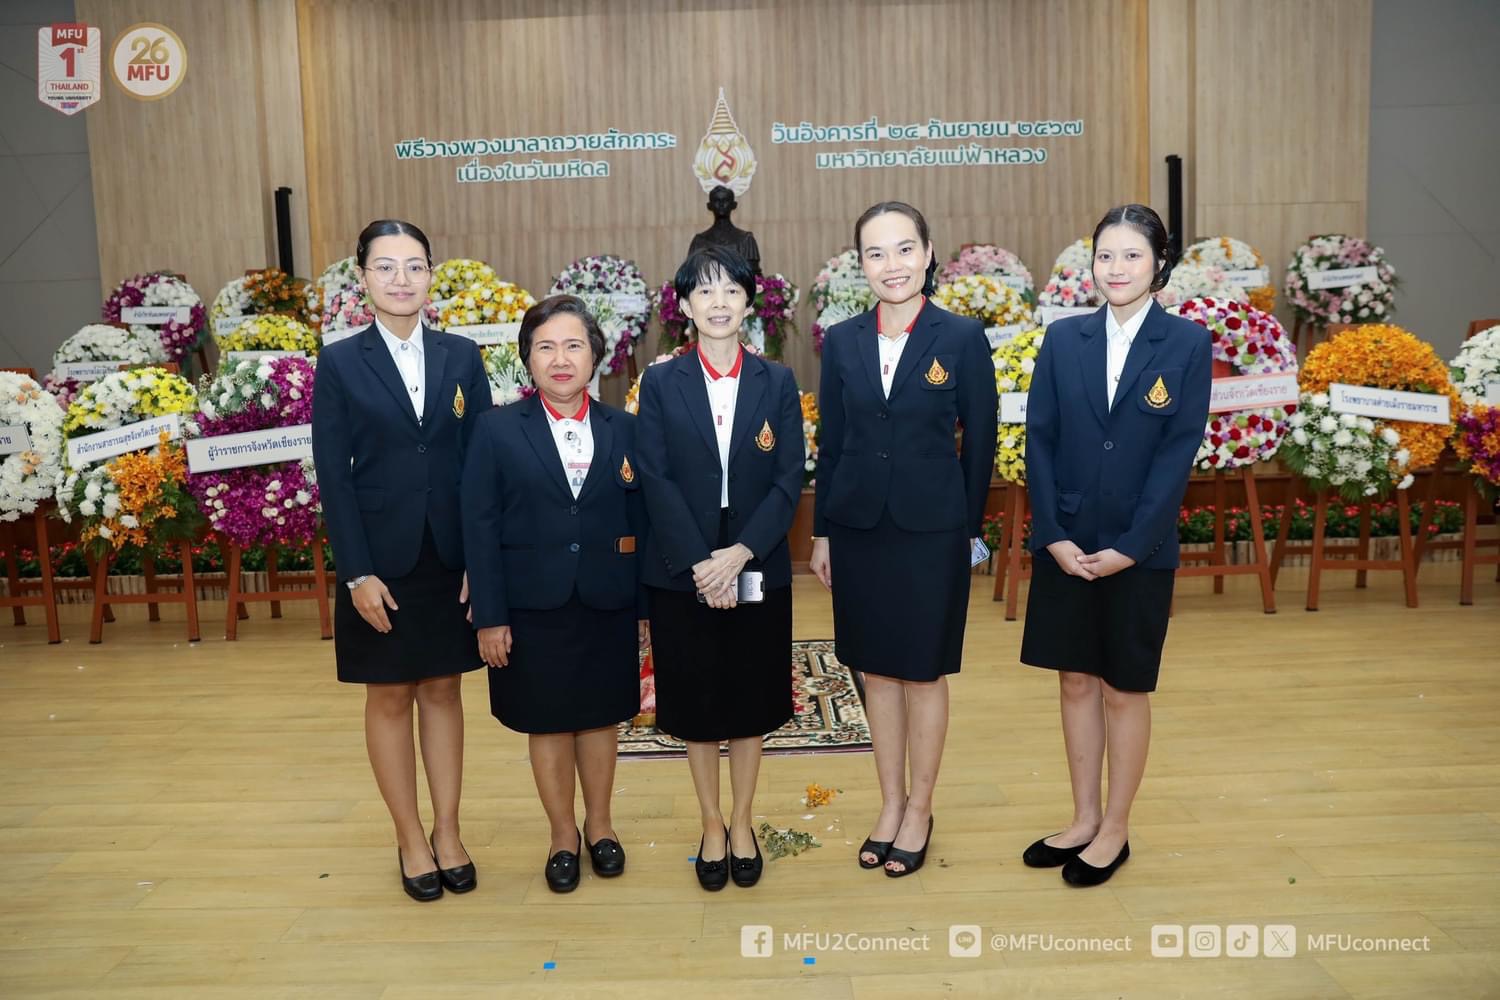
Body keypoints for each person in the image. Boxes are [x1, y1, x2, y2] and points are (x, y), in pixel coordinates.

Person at [1019, 203, 1212, 886]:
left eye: (1132, 255)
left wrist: (1135, 544)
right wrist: (1053, 535)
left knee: (1124, 689)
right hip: (1069, 540)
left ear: (1160, 263)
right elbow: (1038, 440)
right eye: (1106, 255)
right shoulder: (1063, 339)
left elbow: (1176, 453)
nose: (1117, 268)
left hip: (1139, 546)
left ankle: (1117, 829)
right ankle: (1082, 817)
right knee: (1075, 680)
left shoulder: (1187, 345)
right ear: (1090, 263)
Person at [810, 201, 998, 878]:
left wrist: (970, 533)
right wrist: (824, 530)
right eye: (875, 253)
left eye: (903, 249)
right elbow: (831, 443)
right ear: (859, 264)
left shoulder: (960, 337)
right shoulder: (842, 339)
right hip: (859, 527)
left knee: (922, 671)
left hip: (931, 529)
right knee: (875, 671)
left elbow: (980, 444)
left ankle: (921, 807)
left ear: (927, 253)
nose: (891, 265)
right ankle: (888, 803)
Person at [312, 219, 493, 902]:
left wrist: (482, 560)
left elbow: (480, 467)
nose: (400, 279)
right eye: (385, 267)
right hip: (378, 561)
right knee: (389, 694)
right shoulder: (340, 362)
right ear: (362, 278)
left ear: (430, 275)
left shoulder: (461, 357)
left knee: (444, 689)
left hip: (448, 555)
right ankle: (410, 836)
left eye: (413, 266)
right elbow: (334, 473)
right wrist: (356, 571)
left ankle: (448, 830)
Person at [461, 294, 646, 894]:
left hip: (607, 599)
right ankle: (562, 834)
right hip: (529, 605)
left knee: (600, 718)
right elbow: (480, 526)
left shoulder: (626, 429)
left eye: (573, 345)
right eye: (546, 347)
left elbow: (644, 522)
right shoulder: (494, 430)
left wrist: (644, 610)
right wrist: (489, 616)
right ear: (528, 359)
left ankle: (602, 827)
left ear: (596, 356)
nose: (560, 359)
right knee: (547, 720)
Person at [635, 245, 803, 891]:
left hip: (754, 554)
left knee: (751, 696)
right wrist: (705, 562)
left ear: (748, 300)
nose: (718, 302)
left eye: (730, 290)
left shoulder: (777, 381)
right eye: (703, 292)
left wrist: (740, 554)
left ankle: (742, 820)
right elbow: (654, 476)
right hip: (684, 561)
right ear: (683, 307)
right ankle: (709, 823)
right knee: (696, 698)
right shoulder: (659, 381)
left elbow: (789, 477)